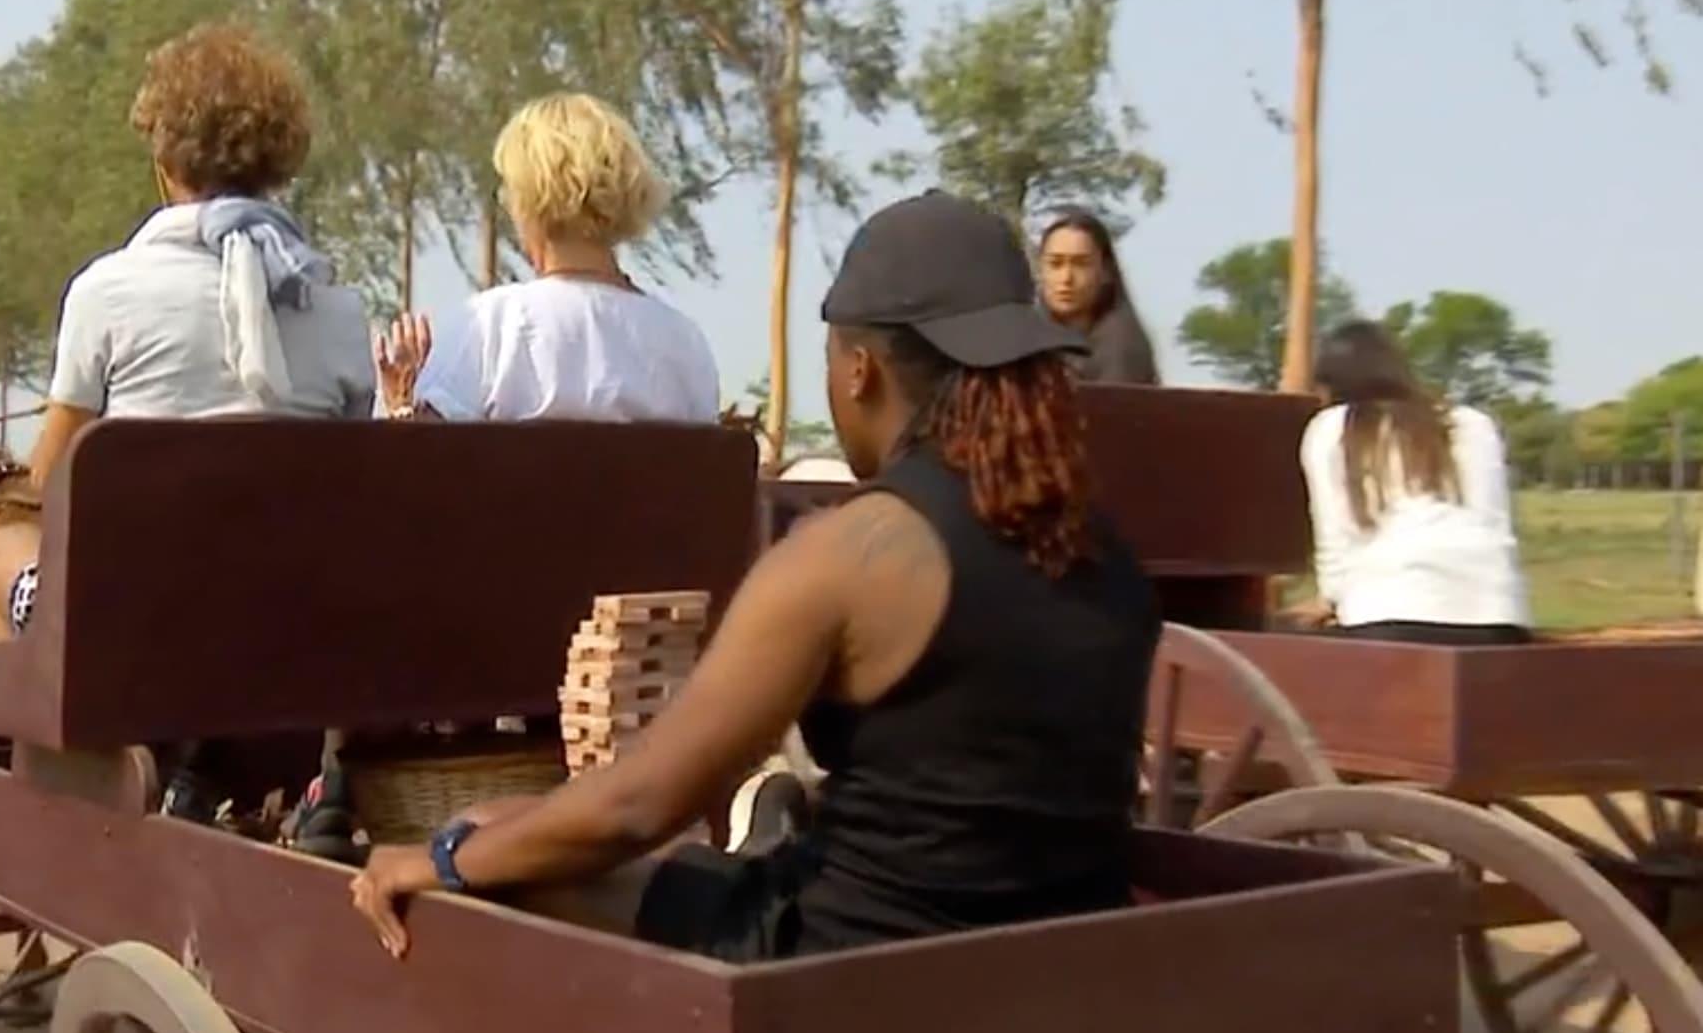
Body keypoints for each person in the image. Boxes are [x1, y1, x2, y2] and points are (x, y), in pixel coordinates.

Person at [348, 190, 1162, 963]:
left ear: (860, 370)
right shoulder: (1103, 552)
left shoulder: (853, 554)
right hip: (1054, 966)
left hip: (837, 969)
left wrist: (441, 858)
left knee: (487, 833)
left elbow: (634, 807)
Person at [0, 22, 375, 810]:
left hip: (133, 640)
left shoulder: (106, 292)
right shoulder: (338, 309)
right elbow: (351, 478)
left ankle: (41, 777)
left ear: (165, 165)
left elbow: (48, 484)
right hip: (294, 633)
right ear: (276, 165)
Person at [373, 92, 719, 423]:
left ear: (527, 199)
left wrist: (402, 407)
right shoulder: (686, 344)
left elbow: (421, 458)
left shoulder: (487, 327)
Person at [1292, 319, 1531, 645]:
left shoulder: (1331, 428)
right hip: (1496, 615)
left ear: (1329, 383)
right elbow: (1494, 523)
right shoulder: (1473, 423)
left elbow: (1334, 533)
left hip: (1390, 612)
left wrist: (1332, 597)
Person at [1032, 208, 1160, 385]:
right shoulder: (1021, 341)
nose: (1066, 278)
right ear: (1040, 269)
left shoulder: (1123, 347)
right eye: (1055, 264)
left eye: (1081, 264)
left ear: (1105, 271)